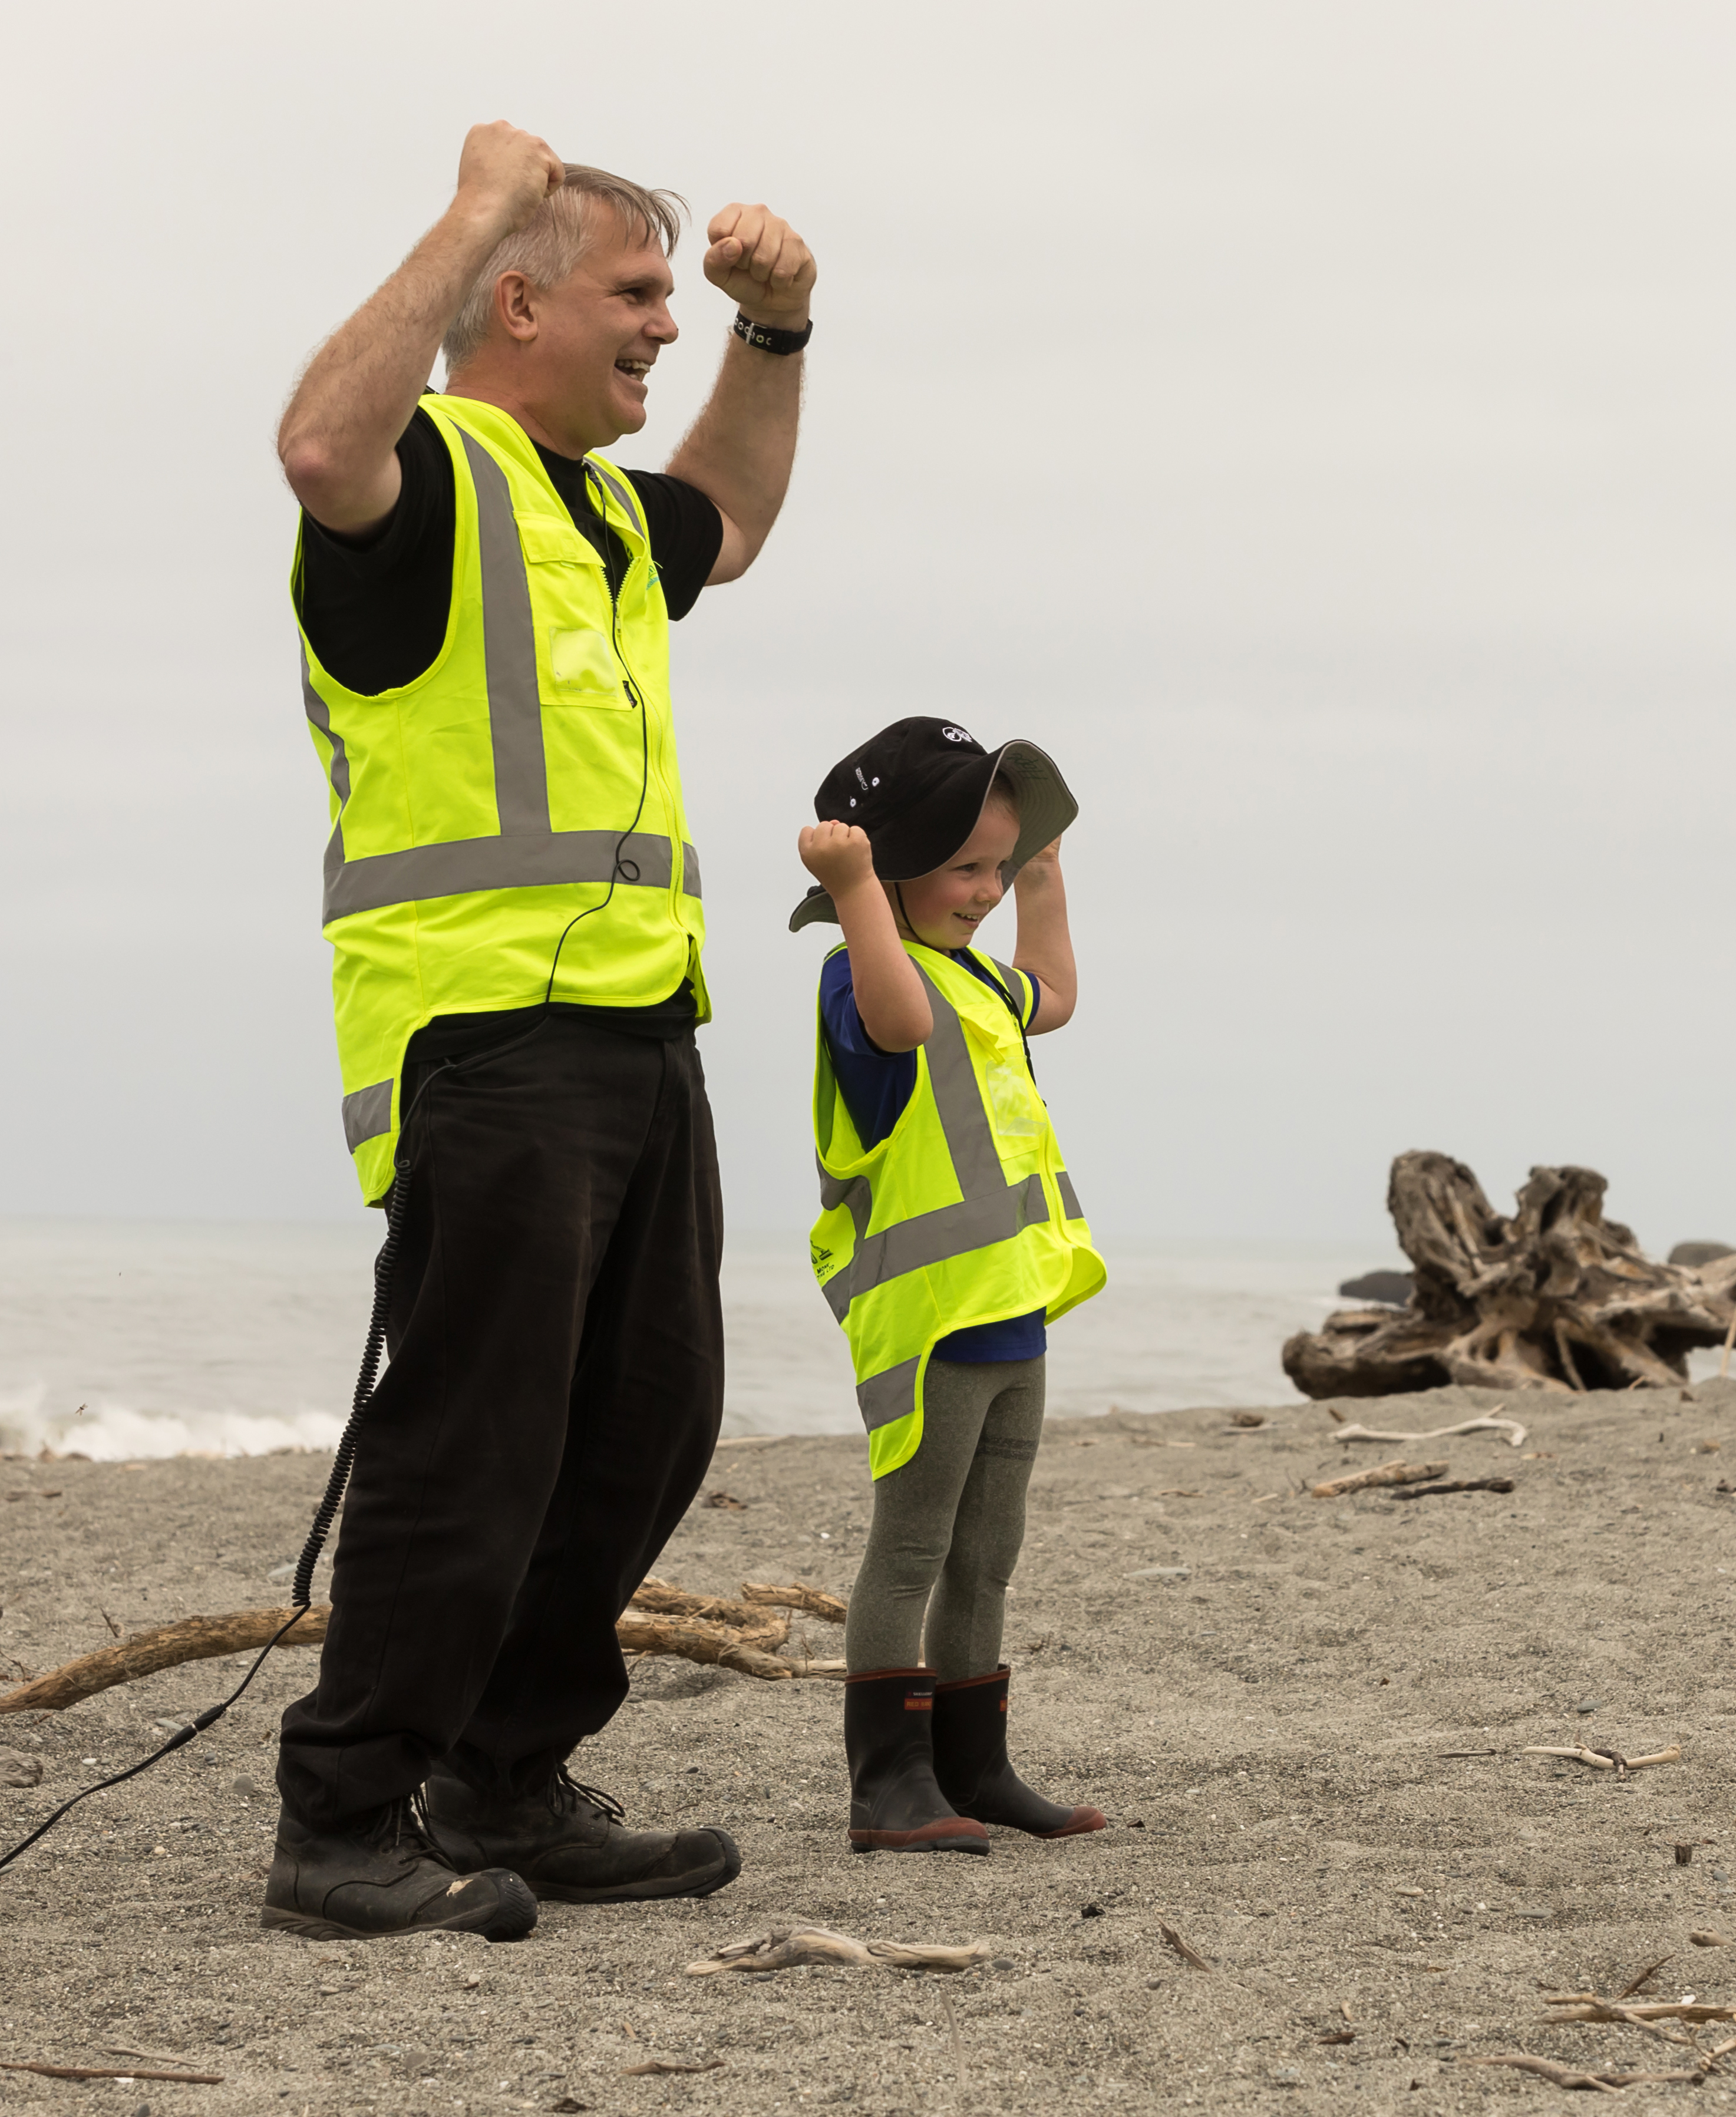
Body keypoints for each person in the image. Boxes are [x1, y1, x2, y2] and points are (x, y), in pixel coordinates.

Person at [268, 123, 815, 1940]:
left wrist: (776, 332)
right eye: (638, 294)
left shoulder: (593, 513)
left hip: (643, 1032)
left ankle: (504, 1773)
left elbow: (726, 524)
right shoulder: (422, 482)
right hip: (487, 1041)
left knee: (648, 1424)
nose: (664, 327)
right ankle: (344, 1813)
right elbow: (318, 443)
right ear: (518, 301)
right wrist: (473, 201)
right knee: (473, 1443)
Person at [793, 718, 1108, 1854]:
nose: (984, 890)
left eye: (996, 864)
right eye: (967, 865)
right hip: (927, 1319)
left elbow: (1055, 997)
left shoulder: (977, 980)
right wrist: (857, 893)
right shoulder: (863, 978)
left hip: (1010, 1310)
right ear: (888, 867)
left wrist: (1045, 878)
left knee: (989, 1550)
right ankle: (888, 1786)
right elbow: (897, 1019)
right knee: (913, 1545)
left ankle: (975, 1767)